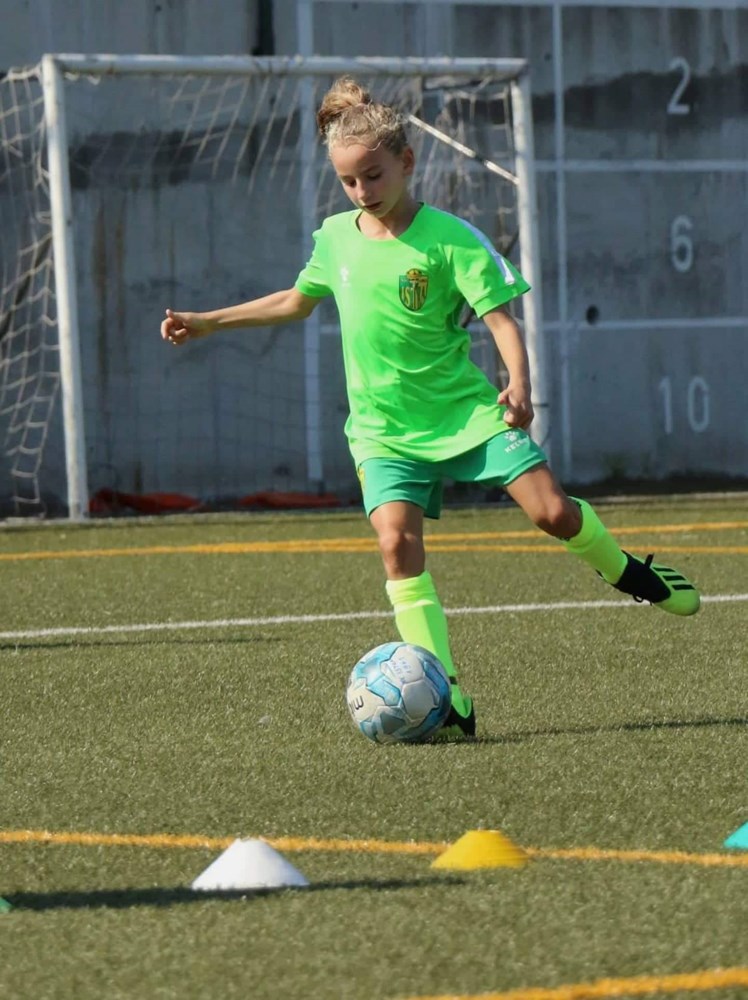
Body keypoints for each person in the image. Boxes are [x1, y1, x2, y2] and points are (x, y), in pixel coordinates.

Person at [161, 76, 700, 740]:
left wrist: (518, 382)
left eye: (373, 175)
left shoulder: (450, 238)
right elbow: (295, 300)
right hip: (383, 432)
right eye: (348, 181)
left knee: (553, 513)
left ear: (407, 162)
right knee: (396, 544)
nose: (362, 190)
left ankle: (630, 571)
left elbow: (500, 318)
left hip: (466, 416)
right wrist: (208, 321)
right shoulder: (335, 238)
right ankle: (448, 698)